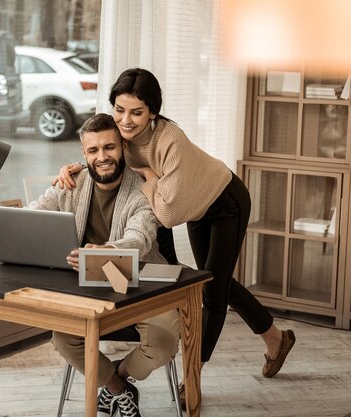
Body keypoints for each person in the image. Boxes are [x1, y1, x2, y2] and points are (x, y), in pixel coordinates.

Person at [54, 68, 296, 387]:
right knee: (211, 279)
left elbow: (167, 214)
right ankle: (276, 338)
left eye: (137, 113)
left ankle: (193, 377)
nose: (126, 120)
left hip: (224, 200)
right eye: (120, 110)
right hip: (192, 206)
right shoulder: (119, 133)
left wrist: (149, 178)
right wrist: (73, 168)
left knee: (211, 288)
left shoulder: (169, 140)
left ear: (153, 112)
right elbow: (99, 153)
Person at [30, 113, 178, 417]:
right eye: (93, 150)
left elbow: (141, 238)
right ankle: (118, 390)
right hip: (87, 289)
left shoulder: (143, 189)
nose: (102, 157)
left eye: (109, 147)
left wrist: (107, 250)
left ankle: (117, 380)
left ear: (122, 146)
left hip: (140, 284)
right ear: (84, 154)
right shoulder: (72, 182)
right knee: (63, 338)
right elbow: (34, 216)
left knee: (163, 345)